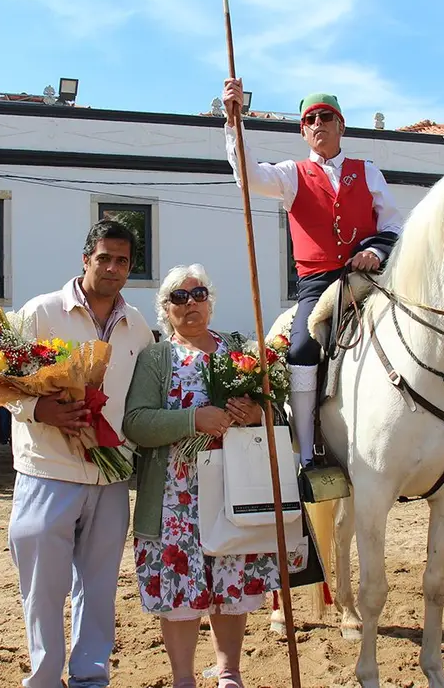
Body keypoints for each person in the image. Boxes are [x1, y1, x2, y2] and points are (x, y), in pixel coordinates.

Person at [220, 79, 403, 467]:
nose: (317, 123)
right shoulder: (291, 174)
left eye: (325, 117)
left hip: (367, 276)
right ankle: (306, 451)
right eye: (309, 120)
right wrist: (234, 122)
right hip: (318, 283)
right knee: (302, 349)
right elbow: (248, 177)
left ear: (341, 126)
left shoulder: (367, 172)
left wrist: (373, 250)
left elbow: (393, 226)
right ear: (303, 131)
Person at [5, 220, 155, 688]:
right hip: (47, 471)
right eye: (104, 258)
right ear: (85, 259)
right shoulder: (41, 312)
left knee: (99, 586)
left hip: (111, 478)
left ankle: (92, 677)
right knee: (43, 590)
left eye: (122, 261)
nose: (113, 268)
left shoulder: (138, 327)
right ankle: (45, 679)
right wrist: (38, 408)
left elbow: (140, 401)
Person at [123, 265, 286, 688]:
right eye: (179, 297)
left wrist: (256, 413)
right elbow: (137, 423)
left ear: (210, 300)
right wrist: (194, 418)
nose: (191, 303)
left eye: (198, 293)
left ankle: (229, 672)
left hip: (234, 488)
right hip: (175, 497)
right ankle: (183, 679)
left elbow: (275, 413)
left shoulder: (239, 350)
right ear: (165, 310)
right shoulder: (157, 358)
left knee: (230, 579)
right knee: (179, 586)